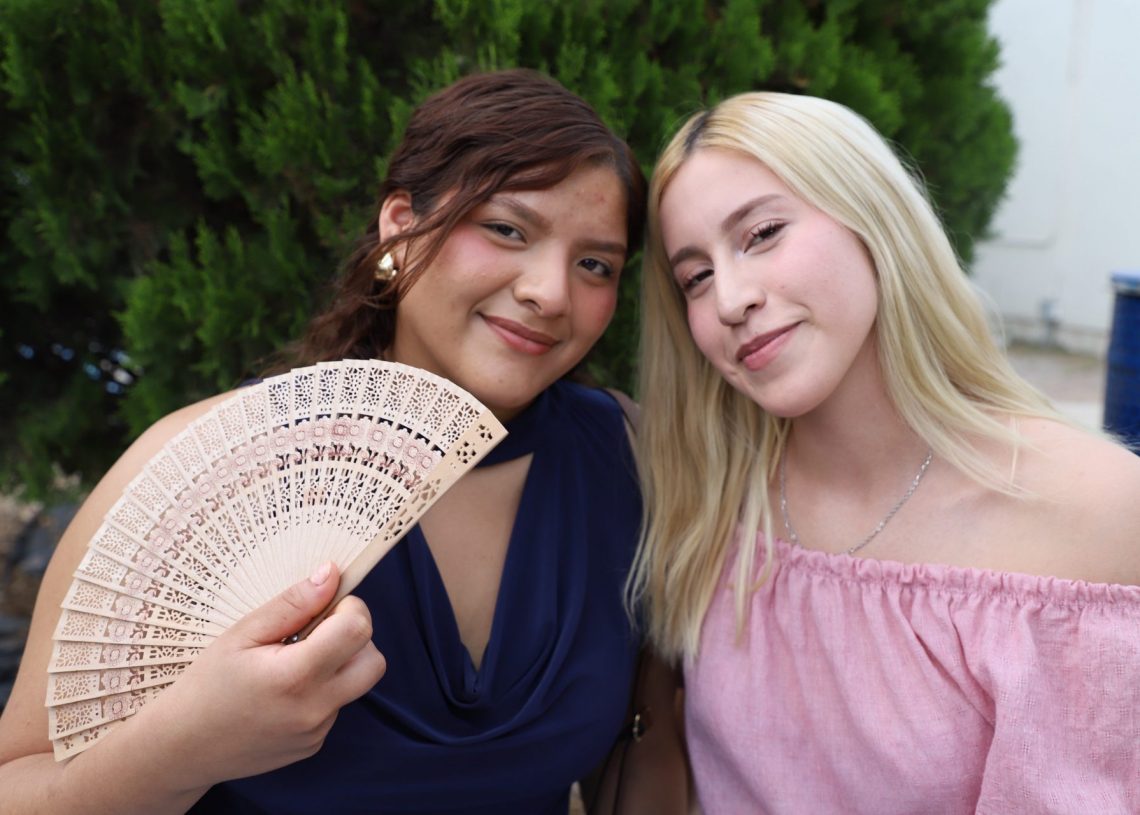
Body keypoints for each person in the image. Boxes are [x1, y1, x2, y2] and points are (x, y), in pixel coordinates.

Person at [0, 69, 685, 814]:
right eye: (506, 229)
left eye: (595, 265)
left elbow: (644, 752)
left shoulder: (629, 462)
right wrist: (183, 747)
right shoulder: (207, 462)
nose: (550, 292)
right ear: (400, 225)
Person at [629, 91, 1140, 814]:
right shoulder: (709, 499)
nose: (731, 299)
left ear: (873, 219)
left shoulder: (1096, 510)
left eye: (763, 233)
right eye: (696, 278)